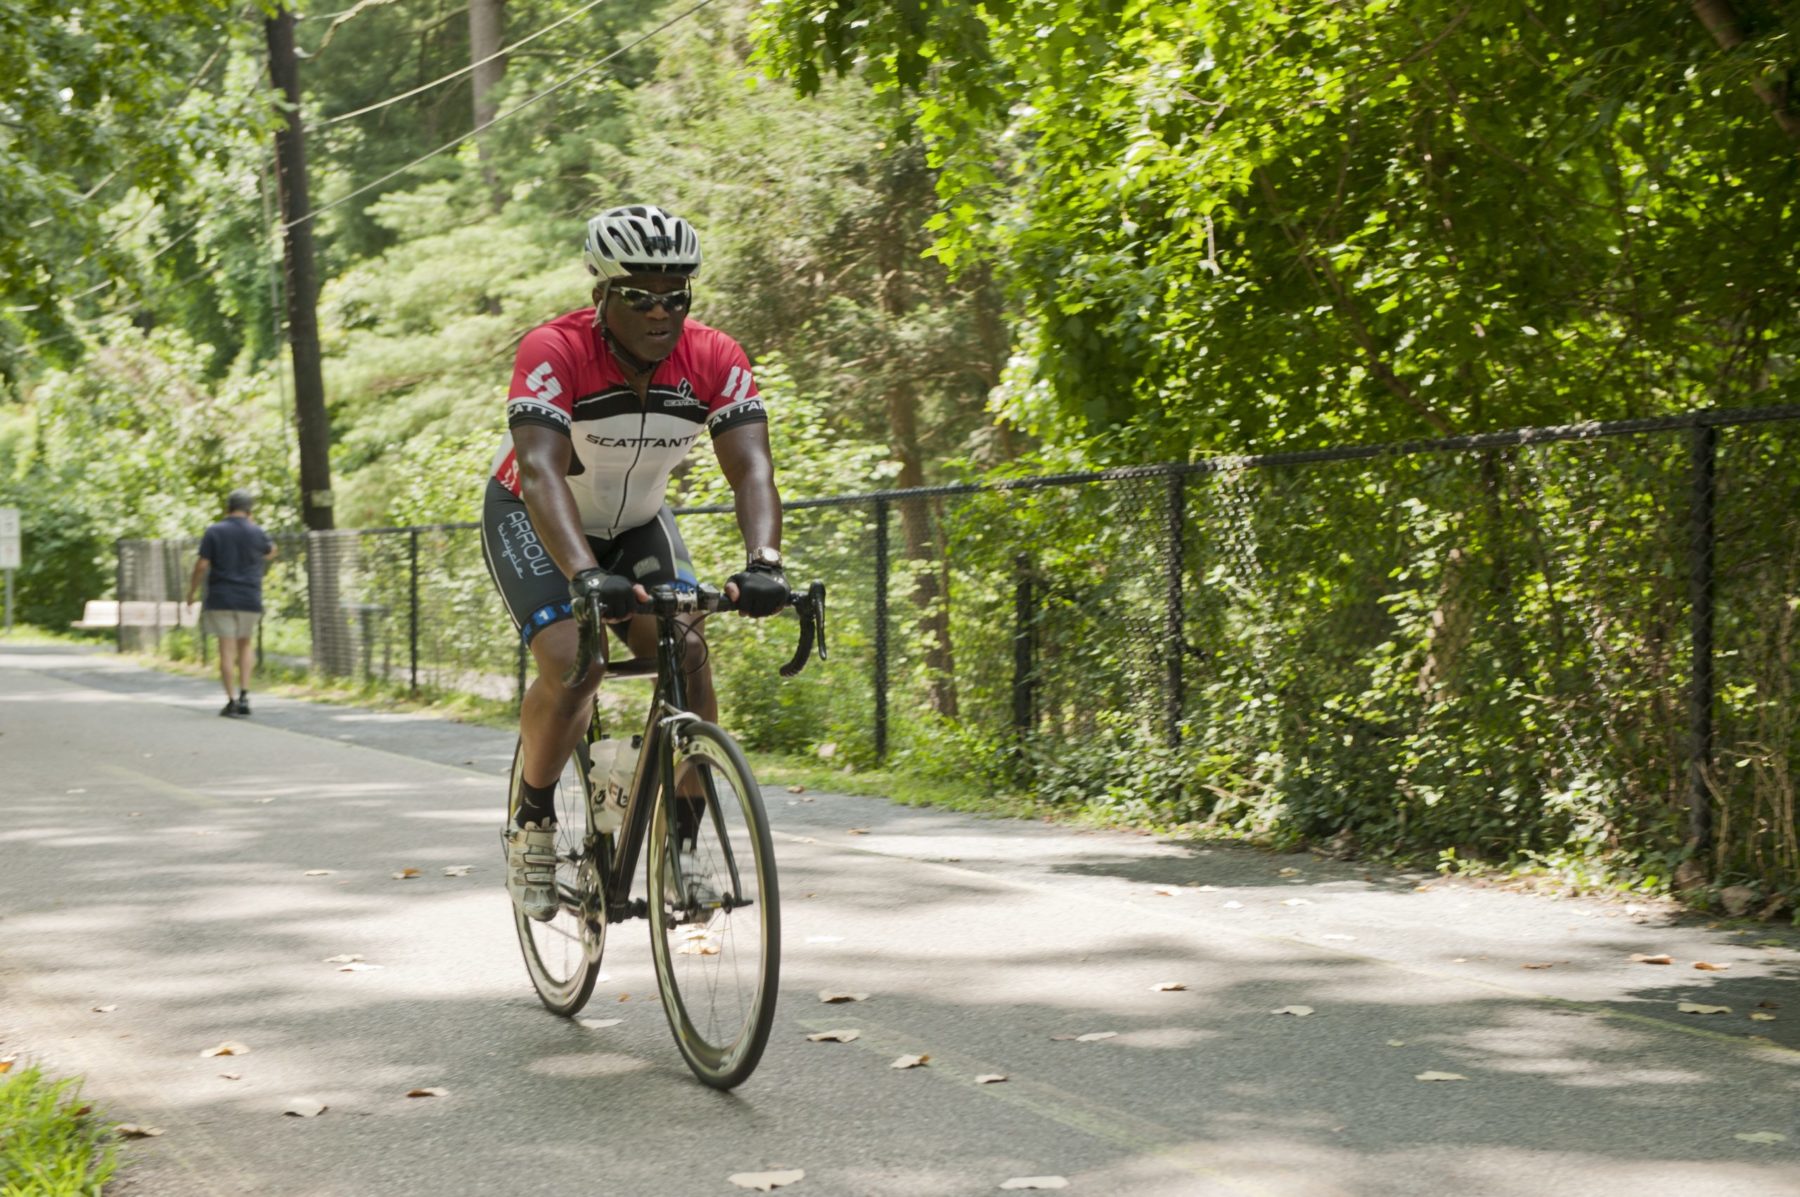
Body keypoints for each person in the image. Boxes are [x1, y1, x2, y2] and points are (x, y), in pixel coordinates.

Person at [481, 204, 789, 921]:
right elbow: (539, 470)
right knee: (573, 662)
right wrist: (586, 573)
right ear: (602, 297)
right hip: (536, 516)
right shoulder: (553, 351)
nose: (661, 311)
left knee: (685, 647)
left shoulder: (714, 357)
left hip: (637, 523)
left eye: (676, 296)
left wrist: (765, 559)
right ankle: (532, 821)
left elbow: (751, 469)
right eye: (640, 295)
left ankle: (679, 844)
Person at [186, 488, 277, 717]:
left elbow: (201, 565)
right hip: (250, 597)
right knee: (245, 645)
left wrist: (191, 592)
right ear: (249, 510)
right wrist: (252, 527)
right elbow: (271, 551)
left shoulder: (214, 531)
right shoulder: (257, 532)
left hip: (221, 597)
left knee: (226, 649)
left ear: (228, 508)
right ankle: (245, 695)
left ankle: (231, 700)